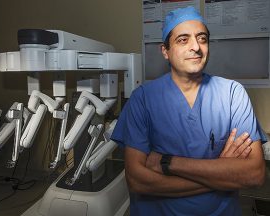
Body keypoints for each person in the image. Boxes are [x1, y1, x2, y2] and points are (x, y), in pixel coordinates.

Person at [111, 6, 266, 216]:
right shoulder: (143, 100)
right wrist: (221, 171)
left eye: (202, 38)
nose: (196, 47)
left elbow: (254, 174)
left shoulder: (232, 94)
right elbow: (138, 181)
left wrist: (169, 163)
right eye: (183, 40)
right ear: (165, 51)